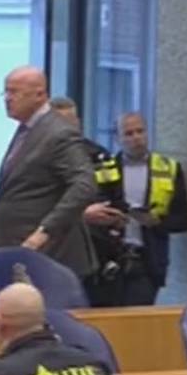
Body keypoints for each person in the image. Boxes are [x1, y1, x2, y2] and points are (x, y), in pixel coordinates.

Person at [0, 67, 97, 279]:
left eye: (14, 92)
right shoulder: (27, 129)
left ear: (39, 95)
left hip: (49, 253)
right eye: (5, 92)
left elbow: (84, 184)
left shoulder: (59, 133)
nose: (7, 99)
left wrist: (45, 231)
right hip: (21, 248)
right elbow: (19, 187)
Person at [82, 112, 187, 306]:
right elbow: (89, 211)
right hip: (109, 257)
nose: (136, 138)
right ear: (118, 138)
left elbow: (184, 220)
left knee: (137, 319)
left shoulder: (168, 169)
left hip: (147, 260)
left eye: (140, 131)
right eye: (129, 133)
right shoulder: (103, 169)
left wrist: (156, 221)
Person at [49, 96, 131, 307]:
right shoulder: (39, 157)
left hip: (98, 251)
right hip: (56, 249)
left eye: (72, 121)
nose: (68, 128)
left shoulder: (99, 156)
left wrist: (114, 216)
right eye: (61, 123)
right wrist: (82, 215)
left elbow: (116, 198)